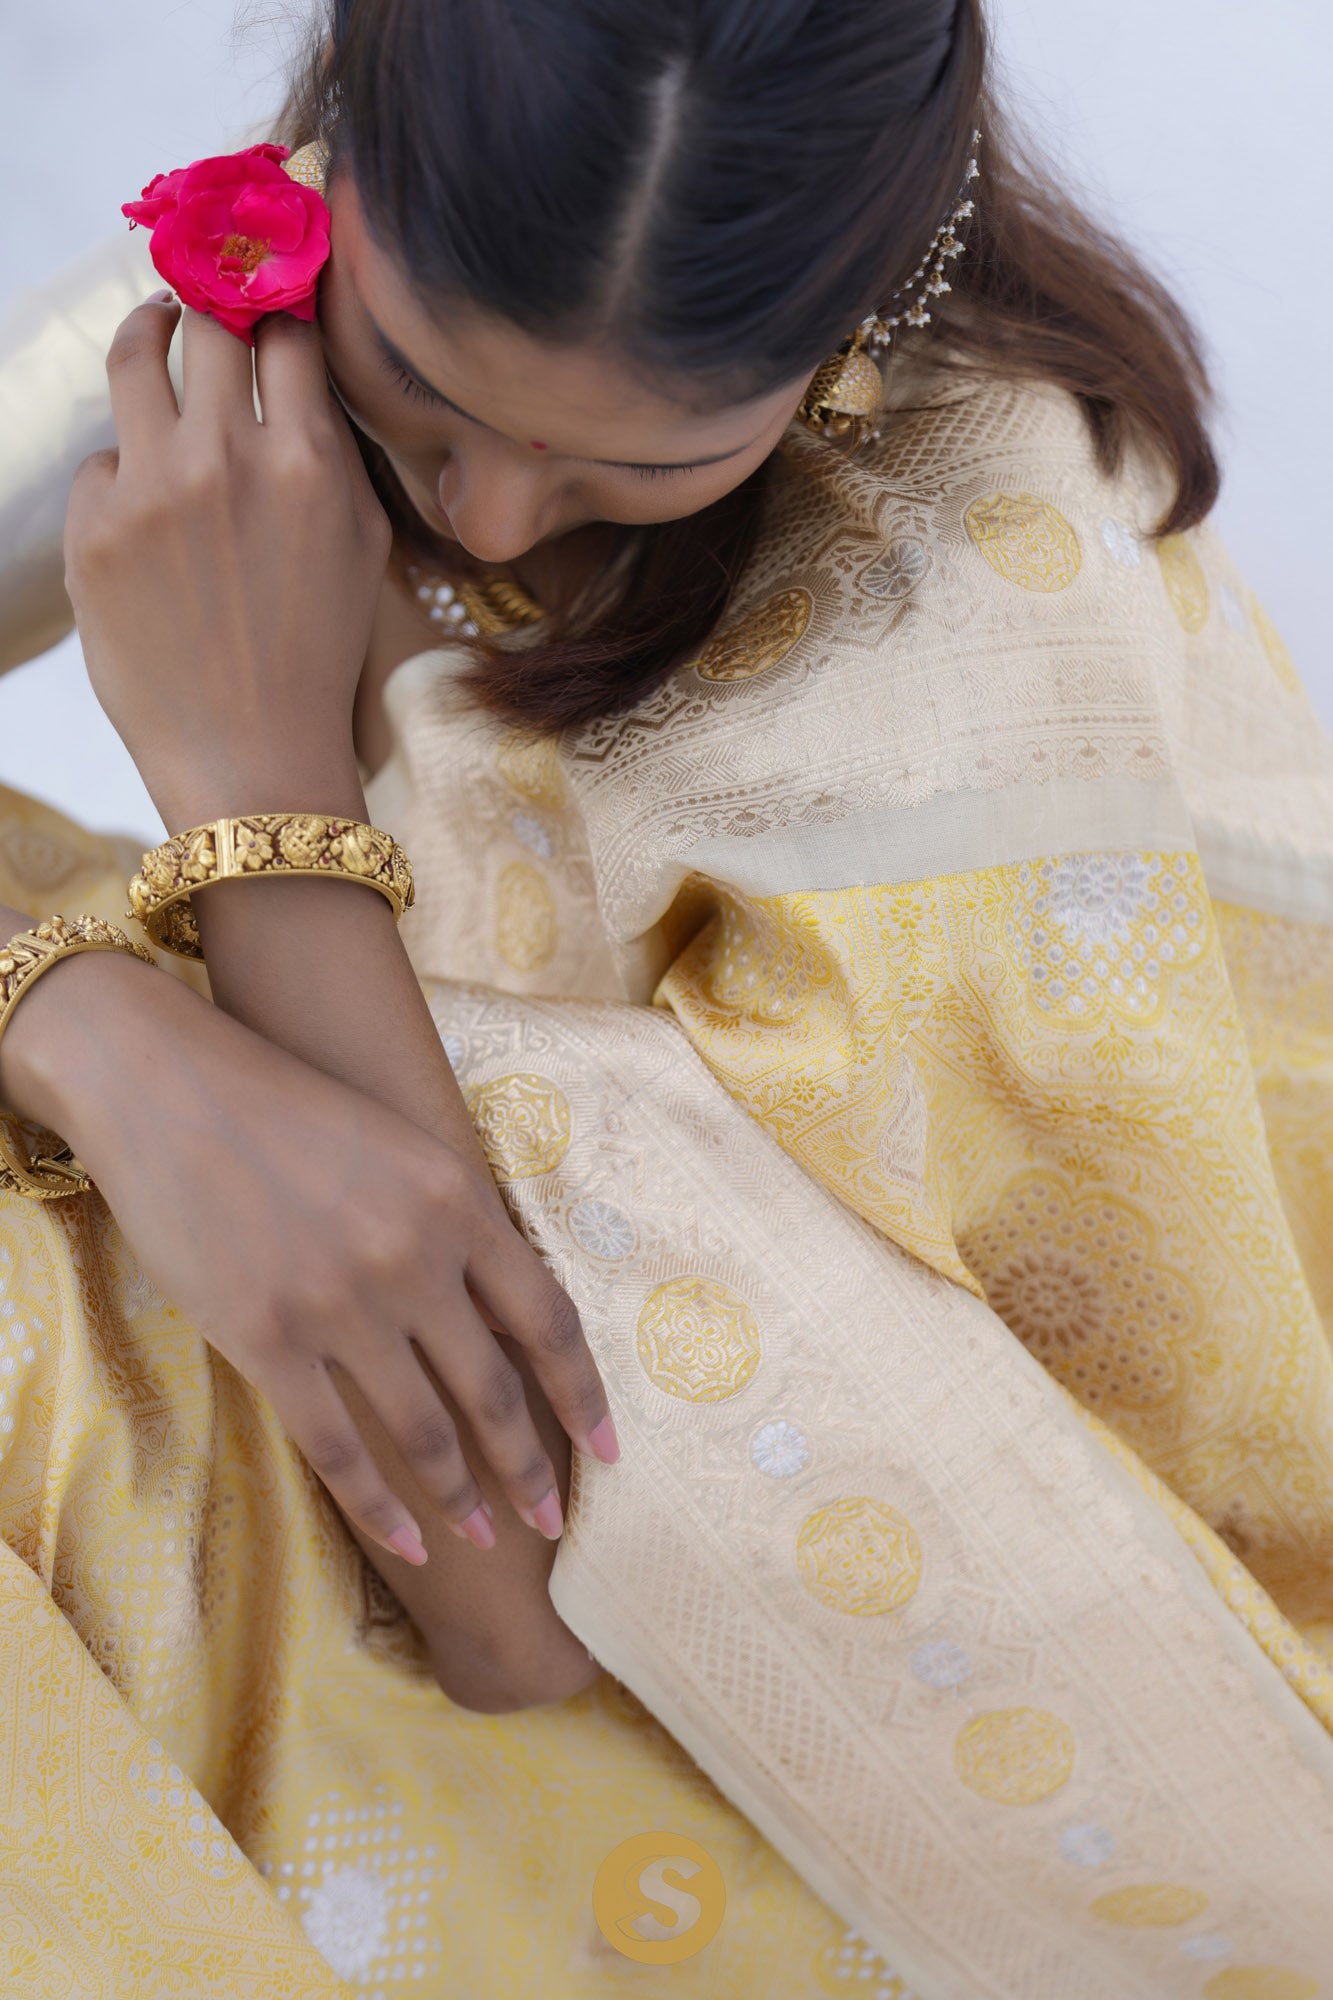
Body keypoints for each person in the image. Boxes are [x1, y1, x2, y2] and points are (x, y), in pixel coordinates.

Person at [1, 0, 1331, 1994]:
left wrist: (251, 793)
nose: (486, 518)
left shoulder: (969, 685)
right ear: (337, 166)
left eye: (639, 460)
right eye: (424, 396)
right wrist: (94, 1024)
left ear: (855, 323)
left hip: (776, 1702)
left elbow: (527, 1595)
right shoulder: (294, 301)